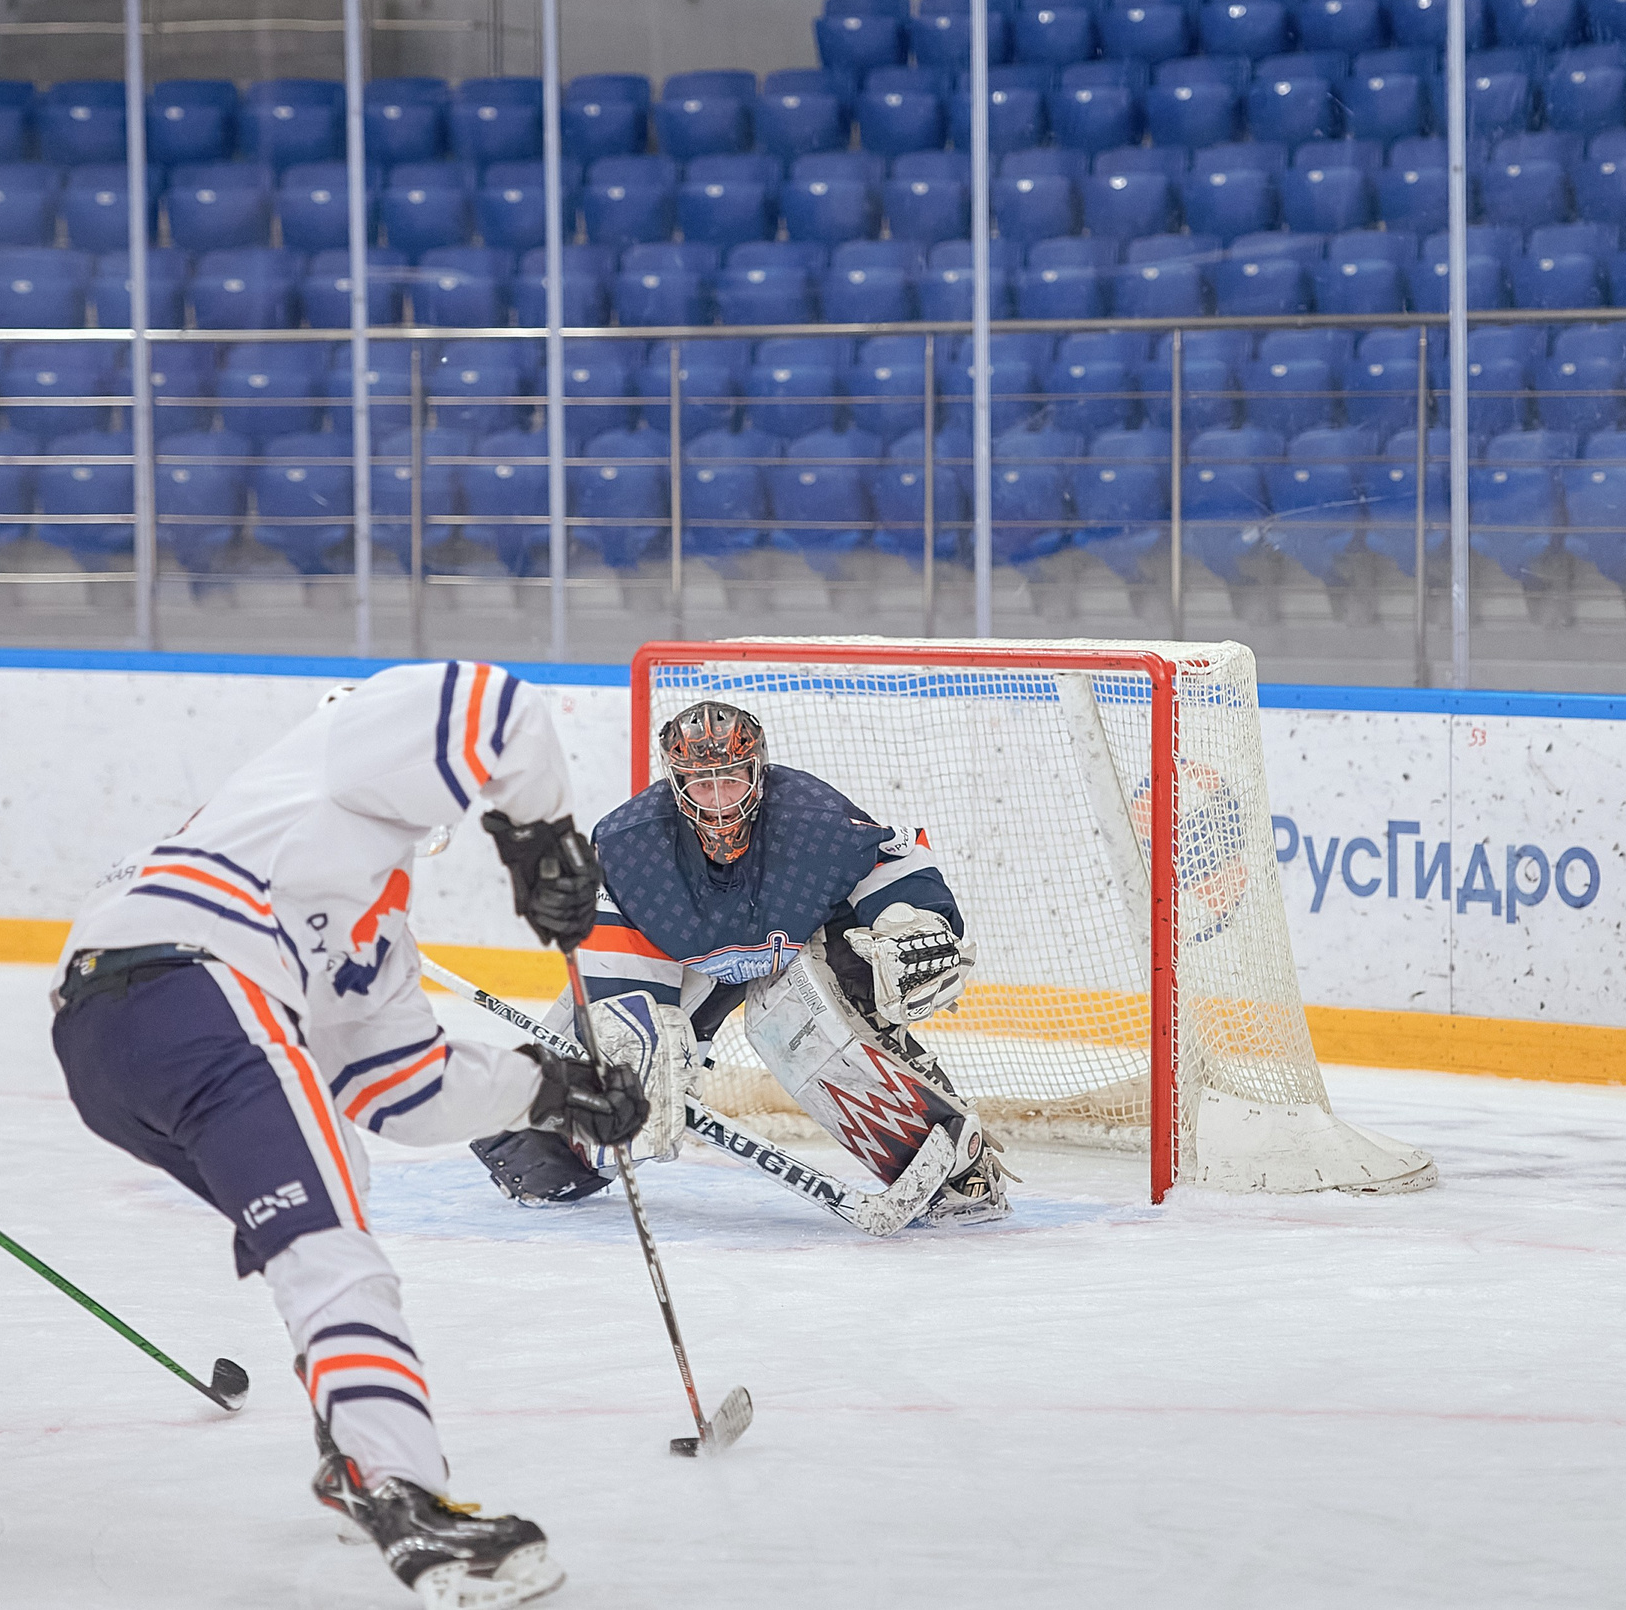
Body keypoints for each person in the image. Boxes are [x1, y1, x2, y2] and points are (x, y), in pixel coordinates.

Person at [49, 662, 645, 1609]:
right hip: (198, 990)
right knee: (333, 1249)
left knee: (325, 1214)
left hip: (117, 1048)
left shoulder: (371, 911)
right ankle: (398, 1487)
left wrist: (549, 1089)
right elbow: (497, 705)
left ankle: (350, 1449)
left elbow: (397, 1087)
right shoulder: (346, 739)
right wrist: (542, 838)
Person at [470, 699, 1009, 1228]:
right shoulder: (630, 843)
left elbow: (889, 858)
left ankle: (955, 1169)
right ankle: (557, 1159)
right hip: (689, 964)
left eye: (732, 779)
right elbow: (614, 953)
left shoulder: (811, 817)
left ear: (758, 770)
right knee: (606, 1086)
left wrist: (912, 918)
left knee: (801, 1020)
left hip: (803, 946)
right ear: (676, 783)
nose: (719, 801)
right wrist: (637, 1043)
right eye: (702, 784)